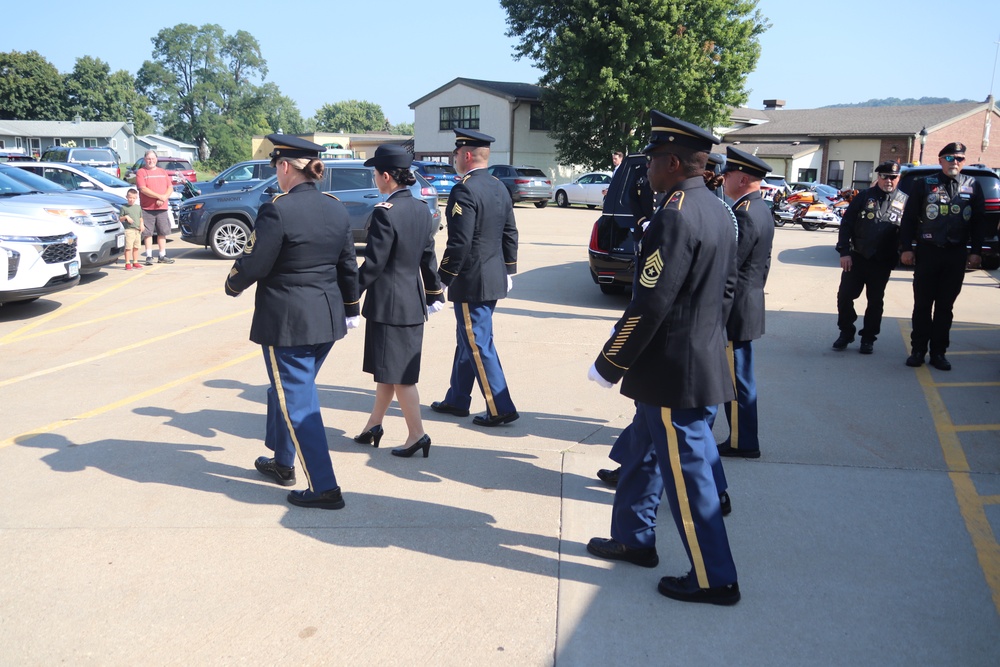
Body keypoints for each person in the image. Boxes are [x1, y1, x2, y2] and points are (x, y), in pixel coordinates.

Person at [586, 111, 741, 605]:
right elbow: (728, 289)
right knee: (643, 456)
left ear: (674, 163)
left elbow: (651, 302)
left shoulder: (675, 214)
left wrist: (611, 361)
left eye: (653, 161)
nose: (647, 169)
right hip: (687, 358)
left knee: (688, 477)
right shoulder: (717, 208)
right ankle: (633, 538)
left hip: (674, 368)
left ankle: (715, 578)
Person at [224, 134, 360, 510]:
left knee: (298, 402)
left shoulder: (277, 210)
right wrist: (351, 308)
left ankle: (325, 486)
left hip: (289, 322)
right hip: (327, 318)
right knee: (283, 391)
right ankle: (283, 462)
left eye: (276, 168)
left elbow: (255, 261)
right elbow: (348, 263)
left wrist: (232, 284)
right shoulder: (335, 207)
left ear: (285, 167)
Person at [353, 145, 446, 458]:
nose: (375, 180)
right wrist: (434, 292)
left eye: (376, 175)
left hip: (388, 306)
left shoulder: (384, 213)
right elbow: (428, 256)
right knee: (388, 370)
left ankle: (417, 434)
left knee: (401, 376)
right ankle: (373, 426)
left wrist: (348, 292)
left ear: (387, 176)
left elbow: (374, 264)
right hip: (412, 302)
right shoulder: (421, 209)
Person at [430, 129, 519, 427]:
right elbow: (510, 233)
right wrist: (509, 269)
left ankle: (501, 406)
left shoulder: (464, 189)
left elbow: (459, 241)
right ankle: (457, 398)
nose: (455, 158)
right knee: (467, 338)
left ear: (466, 155)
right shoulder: (499, 186)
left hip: (472, 280)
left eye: (456, 154)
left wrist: (442, 278)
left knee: (478, 342)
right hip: (492, 276)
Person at [711, 146, 775, 460]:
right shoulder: (760, 208)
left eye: (729, 174)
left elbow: (730, 266)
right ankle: (742, 437)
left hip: (736, 308)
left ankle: (742, 441)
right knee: (740, 376)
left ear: (744, 178)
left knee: (735, 380)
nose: (723, 179)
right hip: (747, 303)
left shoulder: (745, 213)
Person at [900, 142, 986, 370]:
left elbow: (979, 223)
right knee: (922, 305)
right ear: (940, 160)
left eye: (959, 159)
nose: (954, 162)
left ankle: (938, 353)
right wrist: (906, 248)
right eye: (950, 158)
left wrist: (976, 251)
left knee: (945, 307)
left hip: (956, 254)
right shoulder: (924, 184)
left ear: (963, 162)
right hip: (928, 252)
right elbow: (908, 219)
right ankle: (918, 350)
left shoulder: (973, 185)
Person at [832, 160, 908, 354]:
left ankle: (868, 339)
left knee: (875, 302)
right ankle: (846, 332)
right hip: (857, 258)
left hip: (882, 261)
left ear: (898, 178)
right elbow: (847, 224)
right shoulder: (864, 196)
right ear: (878, 177)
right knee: (845, 297)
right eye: (884, 176)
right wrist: (844, 252)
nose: (889, 180)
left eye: (893, 177)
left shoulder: (905, 201)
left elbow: (908, 231)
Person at [135, 151, 176, 265]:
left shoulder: (162, 172)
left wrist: (163, 198)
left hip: (162, 208)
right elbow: (143, 189)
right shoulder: (141, 172)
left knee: (162, 232)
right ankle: (149, 256)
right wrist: (159, 196)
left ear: (156, 159)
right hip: (147, 208)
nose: (151, 161)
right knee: (147, 233)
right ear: (144, 159)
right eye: (148, 158)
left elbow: (170, 187)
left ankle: (162, 255)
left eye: (153, 158)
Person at [118, 188, 144, 271]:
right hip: (129, 230)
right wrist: (126, 217)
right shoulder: (124, 208)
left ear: (136, 198)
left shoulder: (138, 207)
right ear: (126, 197)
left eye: (133, 198)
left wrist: (142, 225)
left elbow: (140, 217)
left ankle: (135, 261)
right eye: (130, 197)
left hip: (137, 230)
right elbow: (120, 219)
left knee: (136, 247)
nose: (131, 200)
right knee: (128, 247)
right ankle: (127, 262)